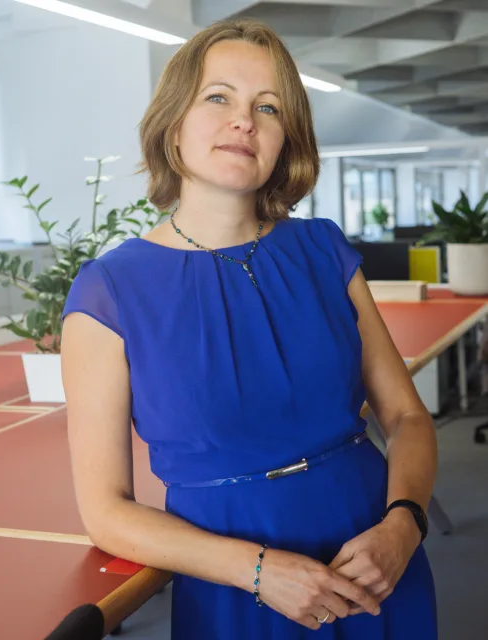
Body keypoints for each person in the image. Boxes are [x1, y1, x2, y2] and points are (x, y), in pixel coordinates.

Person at [61, 18, 438, 639]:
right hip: (237, 586)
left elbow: (408, 418)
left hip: (377, 564)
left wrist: (404, 525)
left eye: (268, 106)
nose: (245, 120)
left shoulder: (324, 250)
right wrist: (257, 570)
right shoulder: (111, 290)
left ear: (285, 137)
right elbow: (106, 511)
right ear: (173, 119)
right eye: (219, 97)